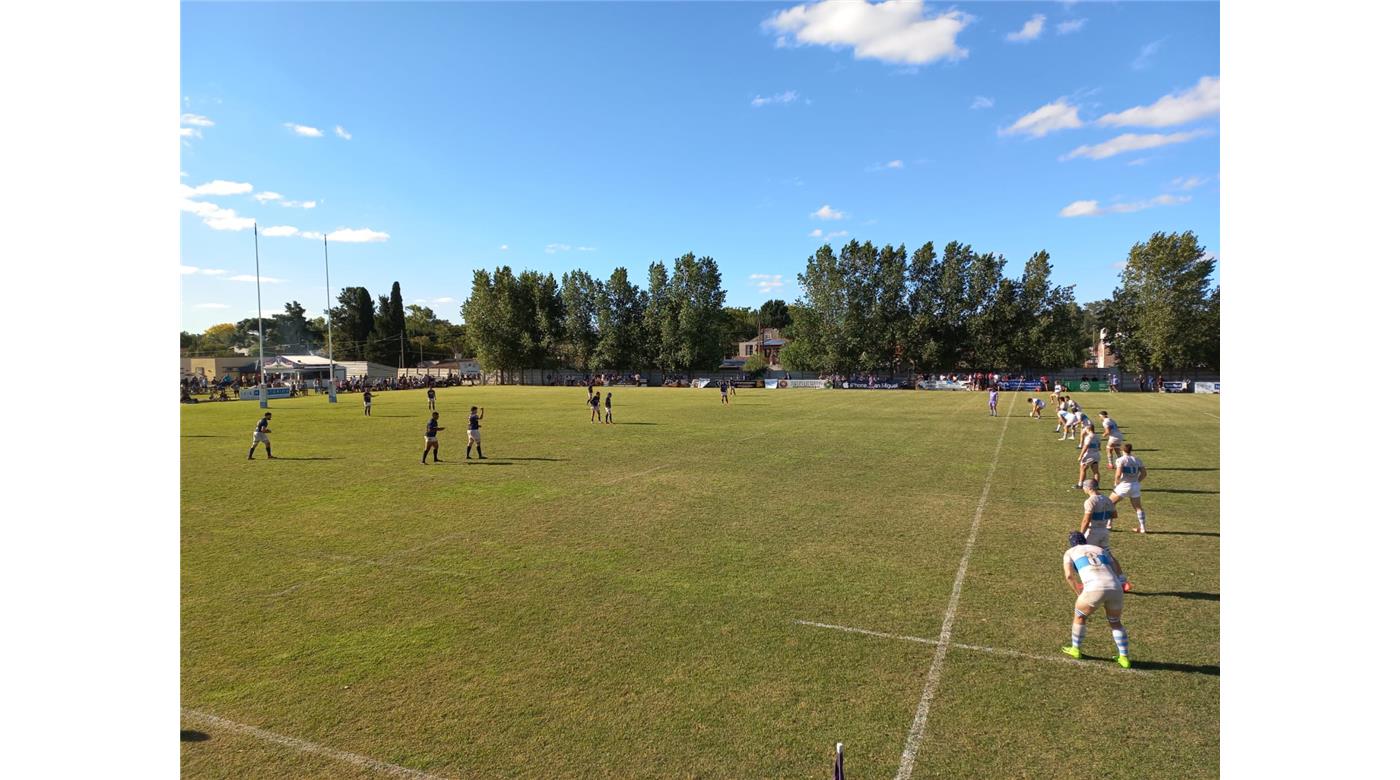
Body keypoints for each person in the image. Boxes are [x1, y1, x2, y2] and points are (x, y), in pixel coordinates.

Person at [1060, 532, 1132, 668]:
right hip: (1115, 587)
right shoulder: (1099, 549)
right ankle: (1124, 657)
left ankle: (1075, 649)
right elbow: (1115, 564)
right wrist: (1122, 581)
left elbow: (1069, 575)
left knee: (1080, 616)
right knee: (1116, 622)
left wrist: (1078, 593)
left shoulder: (1070, 552)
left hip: (1094, 588)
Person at [1080, 481, 1131, 590]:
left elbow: (1086, 520)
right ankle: (1122, 580)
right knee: (1108, 555)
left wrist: (1081, 534)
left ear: (1088, 488)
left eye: (1083, 487)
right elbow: (1114, 514)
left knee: (1087, 556)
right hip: (1104, 531)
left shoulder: (1090, 501)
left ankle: (1090, 582)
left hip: (1093, 531)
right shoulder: (1107, 499)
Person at [1110, 442, 1149, 533]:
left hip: (1124, 485)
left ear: (1122, 450)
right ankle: (1143, 528)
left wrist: (1116, 483)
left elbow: (1118, 474)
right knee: (1138, 507)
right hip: (1135, 485)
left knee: (1110, 503)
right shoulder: (1137, 460)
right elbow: (1144, 473)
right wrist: (1137, 481)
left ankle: (1109, 524)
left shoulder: (1120, 460)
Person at [1076, 420, 1101, 489]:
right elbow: (1099, 446)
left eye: (1085, 429)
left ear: (1088, 429)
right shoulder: (1097, 436)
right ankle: (1097, 485)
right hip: (1096, 455)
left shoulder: (1088, 437)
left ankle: (1080, 484)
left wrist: (1080, 456)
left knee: (1083, 469)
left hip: (1089, 455)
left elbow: (1085, 447)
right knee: (1096, 471)